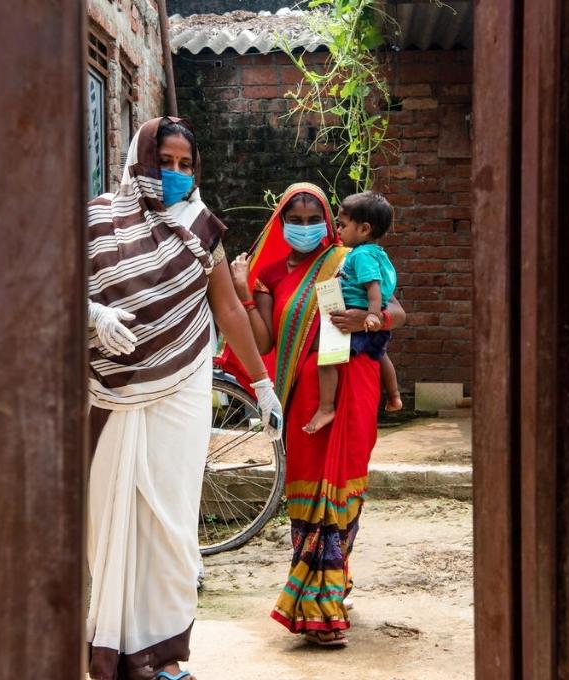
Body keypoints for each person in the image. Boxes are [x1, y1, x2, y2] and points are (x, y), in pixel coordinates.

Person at [86, 116, 282, 680]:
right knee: (111, 524)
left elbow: (225, 308)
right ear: (140, 160)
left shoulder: (201, 226)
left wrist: (261, 383)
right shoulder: (97, 219)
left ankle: (163, 656)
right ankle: (114, 652)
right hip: (111, 392)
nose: (173, 174)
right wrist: (91, 315)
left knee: (171, 524)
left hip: (182, 392)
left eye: (185, 165)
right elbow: (53, 279)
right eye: (163, 162)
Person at [225, 182, 406, 647]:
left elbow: (397, 311)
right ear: (281, 222)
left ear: (330, 223)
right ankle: (317, 608)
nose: (305, 227)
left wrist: (370, 319)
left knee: (345, 493)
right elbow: (263, 343)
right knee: (310, 501)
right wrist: (245, 292)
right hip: (305, 398)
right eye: (296, 219)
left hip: (355, 387)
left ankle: (329, 589)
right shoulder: (269, 275)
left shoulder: (346, 261)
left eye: (314, 219)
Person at [304, 191, 401, 435]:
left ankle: (326, 407)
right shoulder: (377, 254)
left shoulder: (360, 255)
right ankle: (394, 396)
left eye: (342, 225)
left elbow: (374, 289)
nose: (337, 229)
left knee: (325, 359)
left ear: (365, 229)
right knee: (381, 354)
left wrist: (371, 315)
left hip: (361, 319)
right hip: (369, 321)